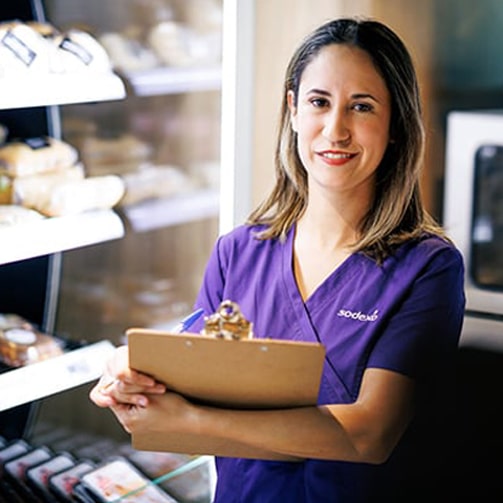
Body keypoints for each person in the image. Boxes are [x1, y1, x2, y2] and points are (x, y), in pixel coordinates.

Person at [90, 17, 465, 502]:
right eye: (318, 102)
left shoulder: (427, 268)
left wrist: (196, 420)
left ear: (395, 124)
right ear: (292, 109)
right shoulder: (238, 252)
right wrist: (129, 373)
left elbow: (369, 434)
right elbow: (188, 380)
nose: (336, 130)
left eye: (362, 107)